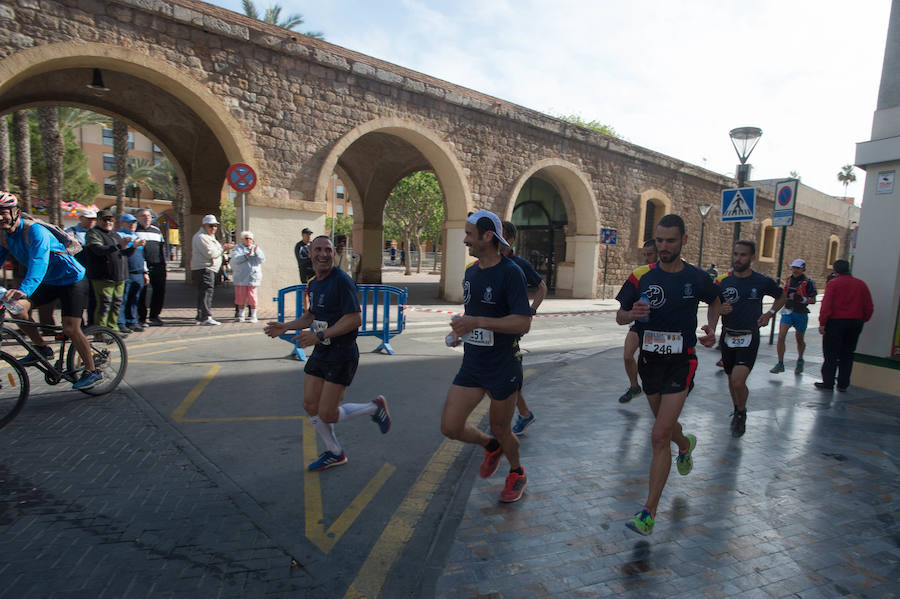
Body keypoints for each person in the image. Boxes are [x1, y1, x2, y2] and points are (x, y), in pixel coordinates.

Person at [615, 214, 721, 535]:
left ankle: (648, 512)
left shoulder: (697, 277)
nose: (663, 247)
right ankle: (685, 444)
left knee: (659, 435)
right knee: (667, 428)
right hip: (651, 364)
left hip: (681, 362)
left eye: (670, 241)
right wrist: (631, 313)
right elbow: (620, 316)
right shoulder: (641, 278)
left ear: (684, 241)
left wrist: (712, 327)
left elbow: (715, 300)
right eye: (659, 240)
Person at [264, 235, 390, 471]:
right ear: (309, 253)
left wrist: (319, 336)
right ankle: (335, 452)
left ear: (334, 254)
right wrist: (286, 326)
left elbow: (355, 318)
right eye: (318, 250)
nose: (323, 254)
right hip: (322, 351)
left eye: (328, 250)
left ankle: (375, 407)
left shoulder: (342, 281)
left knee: (328, 414)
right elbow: (311, 316)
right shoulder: (313, 283)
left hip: (342, 353)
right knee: (310, 405)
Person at [440, 210, 533, 503]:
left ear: (487, 236)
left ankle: (517, 472)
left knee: (502, 428)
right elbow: (473, 315)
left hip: (503, 366)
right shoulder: (471, 273)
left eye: (470, 234)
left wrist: (477, 323)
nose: (465, 239)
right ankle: (490, 446)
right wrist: (461, 331)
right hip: (473, 365)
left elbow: (522, 323)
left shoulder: (511, 273)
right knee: (451, 427)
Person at [0, 191, 100, 390]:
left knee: (71, 328)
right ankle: (41, 348)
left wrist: (24, 290)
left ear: (16, 212)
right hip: (48, 282)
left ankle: (92, 370)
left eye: (3, 211)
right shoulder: (3, 235)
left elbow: (39, 262)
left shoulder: (35, 231)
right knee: (15, 308)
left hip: (72, 281)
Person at [709, 241, 785, 437]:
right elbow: (715, 304)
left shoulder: (761, 281)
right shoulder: (723, 281)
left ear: (752, 257)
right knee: (730, 377)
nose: (738, 259)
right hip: (728, 336)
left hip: (749, 336)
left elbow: (782, 297)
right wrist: (719, 312)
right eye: (735, 254)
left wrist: (769, 314)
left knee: (738, 380)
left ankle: (742, 411)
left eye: (743, 255)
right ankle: (737, 410)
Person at [497, 221, 547, 436]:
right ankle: (522, 415)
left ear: (509, 239)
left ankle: (519, 416)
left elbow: (542, 287)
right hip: (495, 326)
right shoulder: (490, 262)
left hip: (511, 327)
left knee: (505, 374)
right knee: (501, 373)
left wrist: (531, 310)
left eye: (500, 235)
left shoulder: (520, 265)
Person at [814, 259, 873, 392]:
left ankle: (828, 382)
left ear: (835, 270)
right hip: (855, 322)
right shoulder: (861, 284)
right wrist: (863, 319)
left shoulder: (833, 284)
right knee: (848, 353)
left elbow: (826, 305)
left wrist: (822, 322)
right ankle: (843, 384)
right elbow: (869, 306)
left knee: (831, 354)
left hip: (836, 322)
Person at [618, 239, 659, 403]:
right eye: (645, 254)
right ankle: (635, 387)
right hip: (639, 323)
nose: (646, 258)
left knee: (653, 364)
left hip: (660, 328)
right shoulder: (640, 273)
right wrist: (631, 313)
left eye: (650, 254)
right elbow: (623, 309)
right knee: (628, 356)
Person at [84, 209, 135, 335]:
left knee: (116, 304)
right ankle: (101, 332)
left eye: (110, 219)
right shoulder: (93, 233)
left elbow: (123, 253)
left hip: (119, 276)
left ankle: (113, 330)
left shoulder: (115, 235)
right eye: (104, 219)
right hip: (102, 277)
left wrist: (132, 247)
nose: (108, 222)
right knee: (104, 305)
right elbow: (98, 250)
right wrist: (118, 246)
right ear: (98, 220)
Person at [771, 258, 817, 374]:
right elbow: (783, 295)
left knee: (799, 338)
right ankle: (780, 363)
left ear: (803, 269)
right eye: (794, 268)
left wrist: (801, 299)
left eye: (798, 268)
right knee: (781, 336)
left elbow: (813, 300)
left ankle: (800, 359)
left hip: (800, 313)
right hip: (787, 311)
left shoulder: (809, 283)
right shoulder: (788, 281)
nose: (795, 270)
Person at [191, 214, 234, 326]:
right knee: (206, 291)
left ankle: (201, 315)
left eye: (215, 226)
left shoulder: (208, 237)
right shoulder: (202, 237)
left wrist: (222, 248)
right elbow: (211, 253)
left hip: (208, 268)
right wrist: (223, 248)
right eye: (211, 226)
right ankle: (206, 316)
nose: (213, 228)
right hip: (205, 268)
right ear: (204, 225)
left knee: (204, 292)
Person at [134, 208, 168, 327]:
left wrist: (164, 264)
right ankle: (141, 318)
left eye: (149, 216)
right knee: (141, 292)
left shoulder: (156, 231)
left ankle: (154, 316)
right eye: (143, 216)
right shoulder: (135, 231)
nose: (147, 218)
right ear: (137, 218)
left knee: (159, 291)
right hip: (142, 266)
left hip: (158, 265)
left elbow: (161, 248)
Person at [116, 213, 148, 333]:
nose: (132, 225)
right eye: (129, 223)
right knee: (123, 299)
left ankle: (132, 321)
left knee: (135, 298)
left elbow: (143, 256)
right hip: (126, 272)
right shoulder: (119, 235)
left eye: (134, 222)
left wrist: (145, 272)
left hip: (138, 272)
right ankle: (121, 322)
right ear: (122, 223)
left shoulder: (136, 236)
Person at [65, 208, 97, 325]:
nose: (91, 221)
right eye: (88, 219)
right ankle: (79, 324)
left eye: (93, 219)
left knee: (94, 299)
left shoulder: (97, 232)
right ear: (81, 218)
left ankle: (92, 324)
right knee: (78, 299)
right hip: (77, 271)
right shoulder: (70, 232)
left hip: (93, 270)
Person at [230, 230, 265, 323]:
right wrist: (246, 255)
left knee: (252, 297)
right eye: (247, 238)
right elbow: (236, 259)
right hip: (241, 277)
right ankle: (241, 315)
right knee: (240, 297)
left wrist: (256, 253)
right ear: (242, 240)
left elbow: (262, 259)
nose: (249, 240)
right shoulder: (238, 248)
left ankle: (253, 315)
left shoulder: (256, 248)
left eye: (251, 239)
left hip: (253, 277)